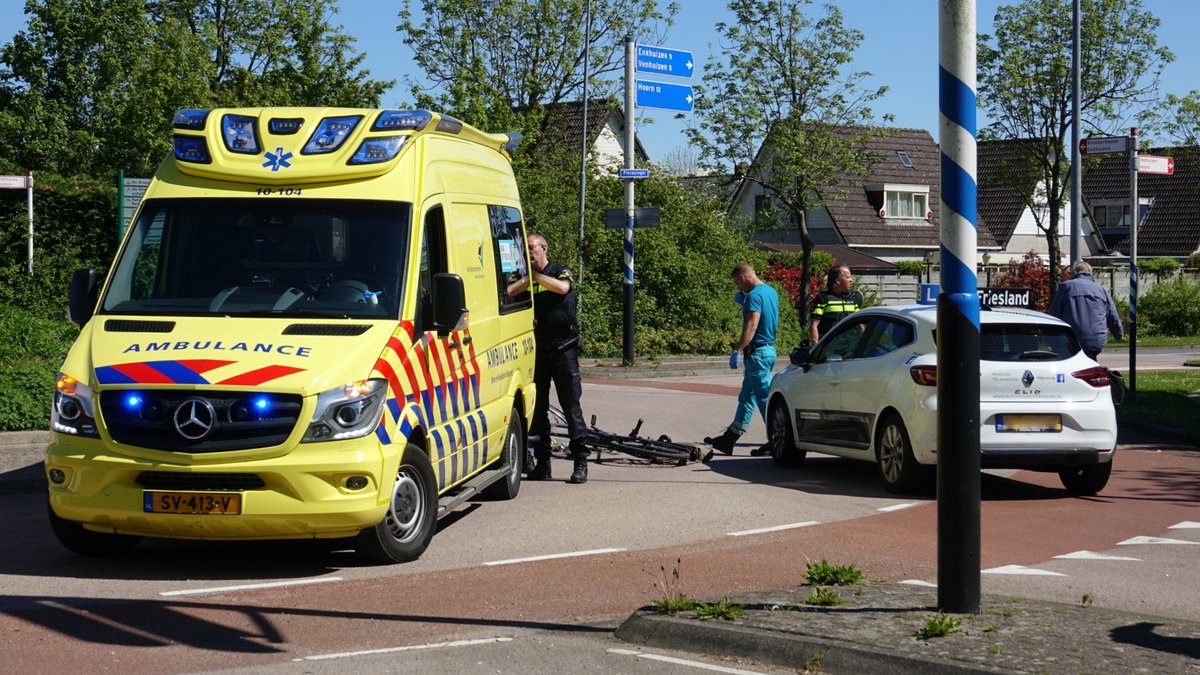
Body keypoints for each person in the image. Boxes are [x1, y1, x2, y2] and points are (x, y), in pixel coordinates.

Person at [507, 233, 590, 484]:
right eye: (525, 248)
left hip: (563, 348)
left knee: (571, 407)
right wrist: (528, 278)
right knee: (538, 410)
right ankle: (543, 464)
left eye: (532, 247)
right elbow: (509, 292)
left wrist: (535, 277)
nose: (528, 252)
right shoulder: (524, 278)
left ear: (544, 248)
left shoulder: (560, 271)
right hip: (537, 351)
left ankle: (580, 462)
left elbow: (562, 288)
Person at [703, 263, 780, 460]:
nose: (738, 287)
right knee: (747, 397)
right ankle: (730, 438)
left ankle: (778, 439)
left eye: (737, 283)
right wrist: (744, 302)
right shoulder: (770, 292)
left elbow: (752, 325)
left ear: (742, 277)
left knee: (764, 400)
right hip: (767, 351)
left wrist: (738, 349)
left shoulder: (754, 296)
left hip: (757, 353)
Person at [1048, 260, 1124, 360]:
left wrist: (1048, 336)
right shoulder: (1101, 290)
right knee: (1091, 361)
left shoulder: (1066, 287)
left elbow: (1054, 314)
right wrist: (1118, 334)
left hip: (1071, 340)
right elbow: (1112, 315)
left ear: (1075, 272)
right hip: (1096, 340)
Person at [809, 265, 863, 344]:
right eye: (848, 277)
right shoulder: (823, 299)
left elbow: (860, 324)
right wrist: (816, 348)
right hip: (829, 347)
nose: (851, 280)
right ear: (837, 280)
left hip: (849, 347)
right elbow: (813, 325)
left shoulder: (852, 299)